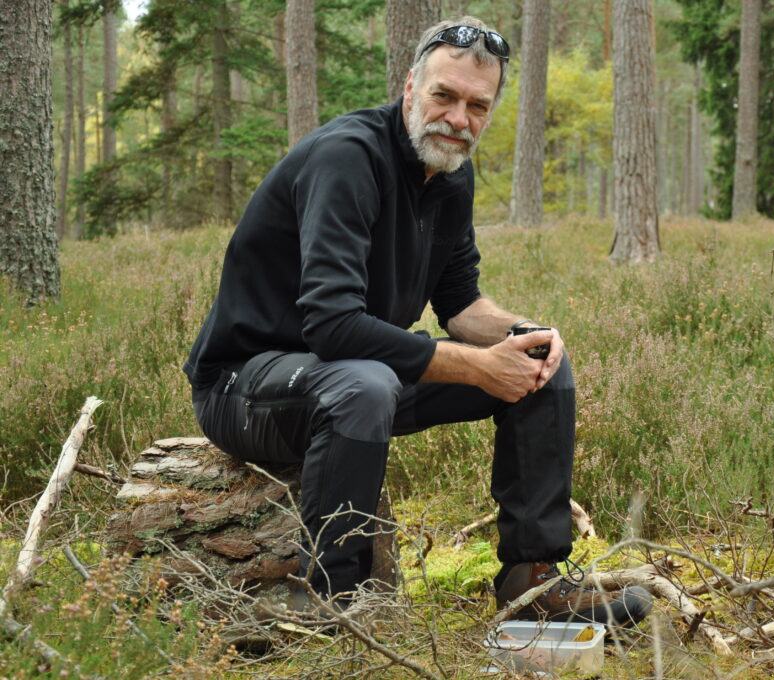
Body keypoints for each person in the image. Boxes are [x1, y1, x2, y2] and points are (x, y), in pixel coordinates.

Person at [184, 16, 650, 626]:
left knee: (538, 364)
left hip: (352, 378)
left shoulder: (451, 173)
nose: (458, 119)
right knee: (363, 384)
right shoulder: (346, 159)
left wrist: (526, 335)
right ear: (410, 89)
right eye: (444, 96)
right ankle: (333, 597)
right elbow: (331, 325)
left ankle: (532, 582)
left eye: (476, 105)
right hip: (245, 386)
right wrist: (477, 368)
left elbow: (460, 306)